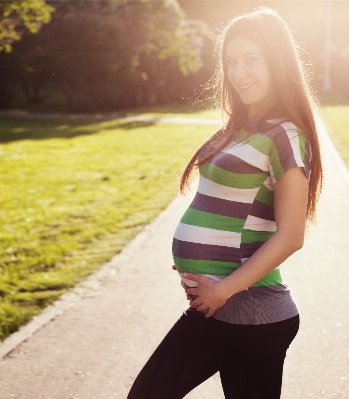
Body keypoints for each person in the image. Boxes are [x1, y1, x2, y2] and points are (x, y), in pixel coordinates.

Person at [128, 7, 323, 399]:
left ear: (277, 62)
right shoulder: (239, 128)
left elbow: (291, 236)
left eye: (252, 60)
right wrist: (199, 256)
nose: (239, 73)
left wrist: (222, 288)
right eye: (231, 62)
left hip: (252, 314)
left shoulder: (285, 135)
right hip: (216, 309)